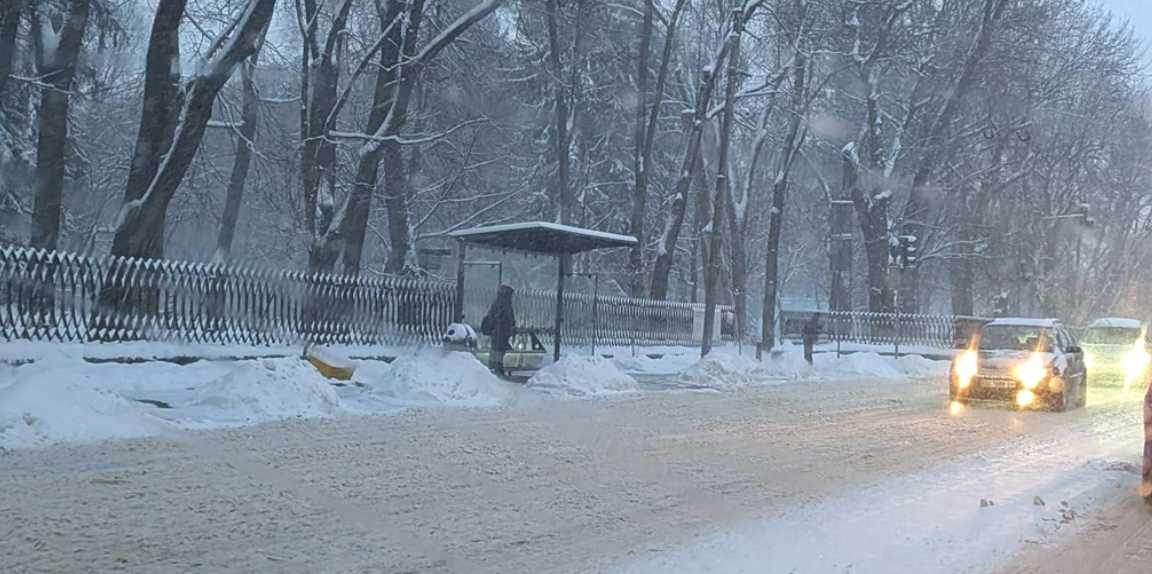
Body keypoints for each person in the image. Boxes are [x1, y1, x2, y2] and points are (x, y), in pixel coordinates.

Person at [481, 285, 516, 376]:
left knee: (497, 350)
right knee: (499, 350)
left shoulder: (498, 302)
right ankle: (497, 368)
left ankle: (495, 367)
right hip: (500, 332)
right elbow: (507, 317)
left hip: (499, 332)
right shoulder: (504, 304)